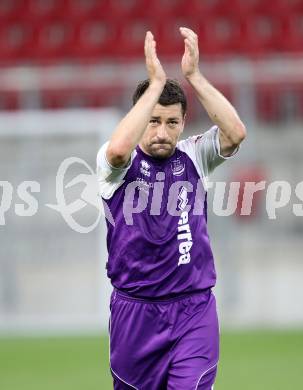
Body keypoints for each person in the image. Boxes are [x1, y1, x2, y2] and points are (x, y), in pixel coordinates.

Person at [97, 27, 246, 390]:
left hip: (193, 309)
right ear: (140, 117)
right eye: (153, 121)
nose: (162, 132)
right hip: (135, 314)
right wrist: (154, 85)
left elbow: (235, 133)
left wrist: (194, 76)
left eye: (172, 122)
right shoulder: (115, 163)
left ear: (182, 124)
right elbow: (118, 149)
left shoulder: (193, 156)